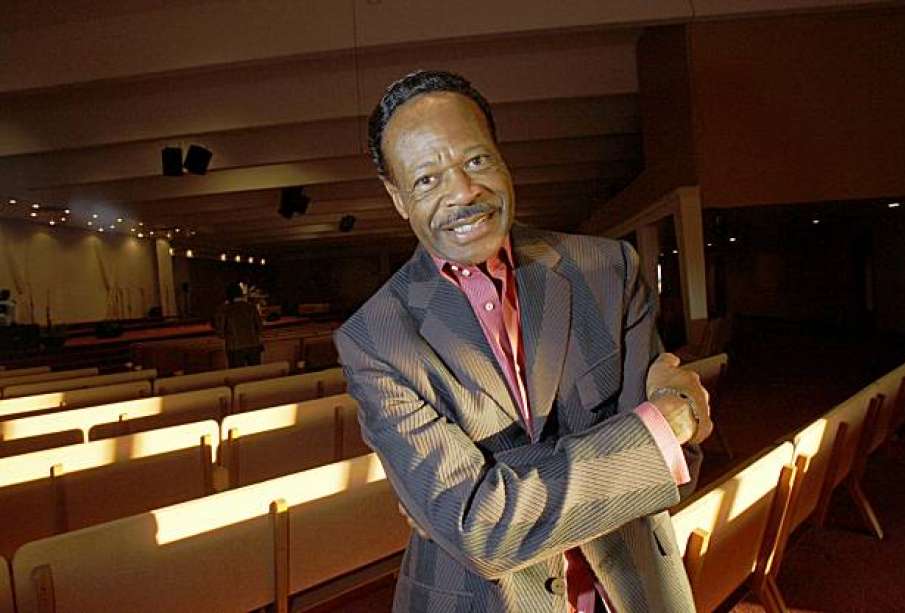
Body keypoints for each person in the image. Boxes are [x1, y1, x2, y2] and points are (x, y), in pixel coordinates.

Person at [334, 71, 713, 613]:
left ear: (502, 157)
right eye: (427, 180)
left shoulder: (609, 268)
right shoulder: (373, 339)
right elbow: (482, 533)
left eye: (476, 160)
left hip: (635, 587)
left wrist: (495, 491)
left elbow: (682, 462)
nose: (463, 192)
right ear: (398, 197)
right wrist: (653, 432)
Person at [214, 283, 263, 368]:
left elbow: (220, 332)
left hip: (235, 347)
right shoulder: (251, 307)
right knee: (256, 373)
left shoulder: (224, 310)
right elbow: (260, 328)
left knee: (238, 374)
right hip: (254, 345)